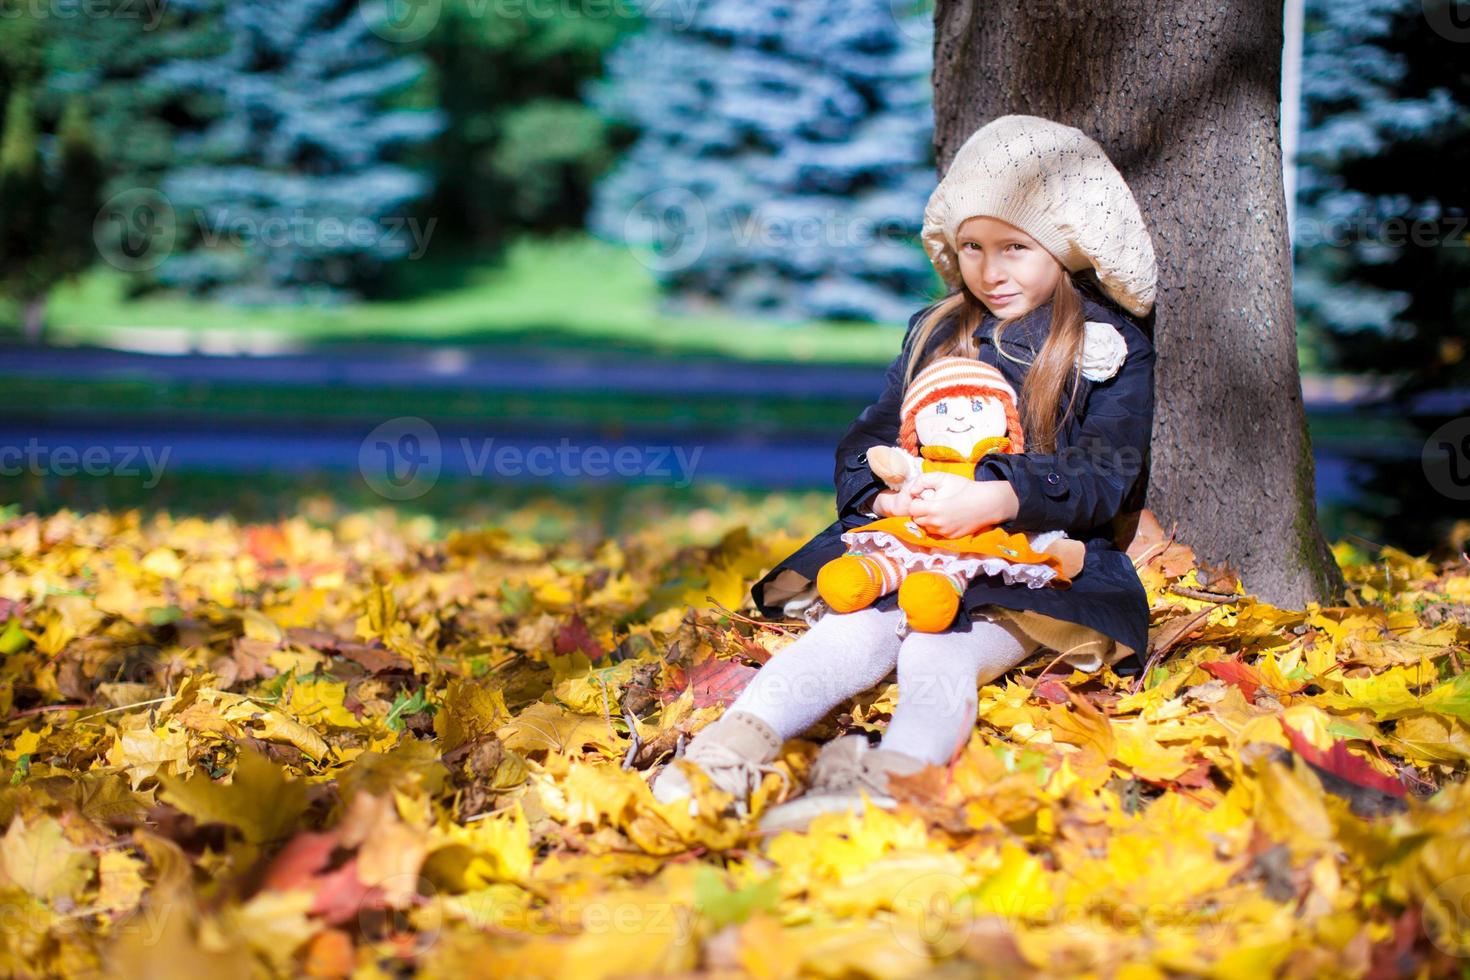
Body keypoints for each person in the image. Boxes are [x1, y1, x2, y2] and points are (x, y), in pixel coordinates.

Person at [651, 114, 1160, 833]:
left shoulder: (1105, 347)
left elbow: (1105, 471)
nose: (991, 270)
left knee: (937, 644)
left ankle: (891, 782)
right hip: (911, 541)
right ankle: (727, 751)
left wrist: (998, 495)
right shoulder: (935, 329)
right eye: (973, 248)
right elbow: (870, 436)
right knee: (846, 632)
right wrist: (886, 488)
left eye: (1016, 248)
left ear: (1064, 247)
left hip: (1029, 567)